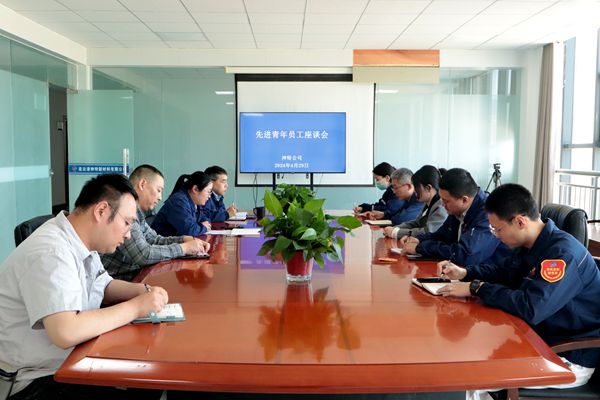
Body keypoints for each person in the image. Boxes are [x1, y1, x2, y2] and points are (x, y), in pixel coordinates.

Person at [0, 174, 167, 399]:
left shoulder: (80, 241)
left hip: (67, 359)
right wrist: (137, 307)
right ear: (101, 211)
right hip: (32, 379)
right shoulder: (52, 251)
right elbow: (66, 331)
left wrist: (143, 291)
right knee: (143, 382)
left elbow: (103, 285)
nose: (128, 235)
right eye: (127, 223)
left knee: (146, 379)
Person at [437, 183, 600, 394]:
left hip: (566, 356)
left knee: (474, 377)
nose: (496, 236)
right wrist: (465, 273)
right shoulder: (531, 244)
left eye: (498, 230)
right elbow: (504, 272)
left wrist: (478, 288)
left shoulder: (562, 255)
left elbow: (531, 308)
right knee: (465, 352)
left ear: (520, 221)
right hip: (534, 339)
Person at [101, 165, 211, 281]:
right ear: (142, 184)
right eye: (158, 190)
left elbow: (154, 239)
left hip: (134, 276)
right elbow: (143, 255)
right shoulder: (125, 212)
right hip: (118, 282)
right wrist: (184, 248)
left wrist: (183, 239)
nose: (160, 197)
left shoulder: (138, 213)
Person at [399, 168, 510, 265]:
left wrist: (420, 248)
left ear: (464, 200)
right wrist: (419, 239)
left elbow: (465, 254)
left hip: (489, 276)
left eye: (446, 201)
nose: (443, 205)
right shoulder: (457, 209)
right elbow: (442, 235)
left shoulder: (488, 213)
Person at [383, 165, 448, 239]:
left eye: (417, 188)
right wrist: (396, 228)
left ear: (428, 188)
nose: (415, 192)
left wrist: (396, 233)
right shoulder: (429, 203)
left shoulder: (440, 207)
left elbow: (428, 232)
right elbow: (417, 223)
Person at [151, 171, 213, 237]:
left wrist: (202, 225)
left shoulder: (194, 202)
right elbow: (189, 230)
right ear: (195, 189)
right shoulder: (178, 201)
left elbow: (206, 220)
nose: (209, 196)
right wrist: (203, 227)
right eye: (208, 191)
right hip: (162, 242)